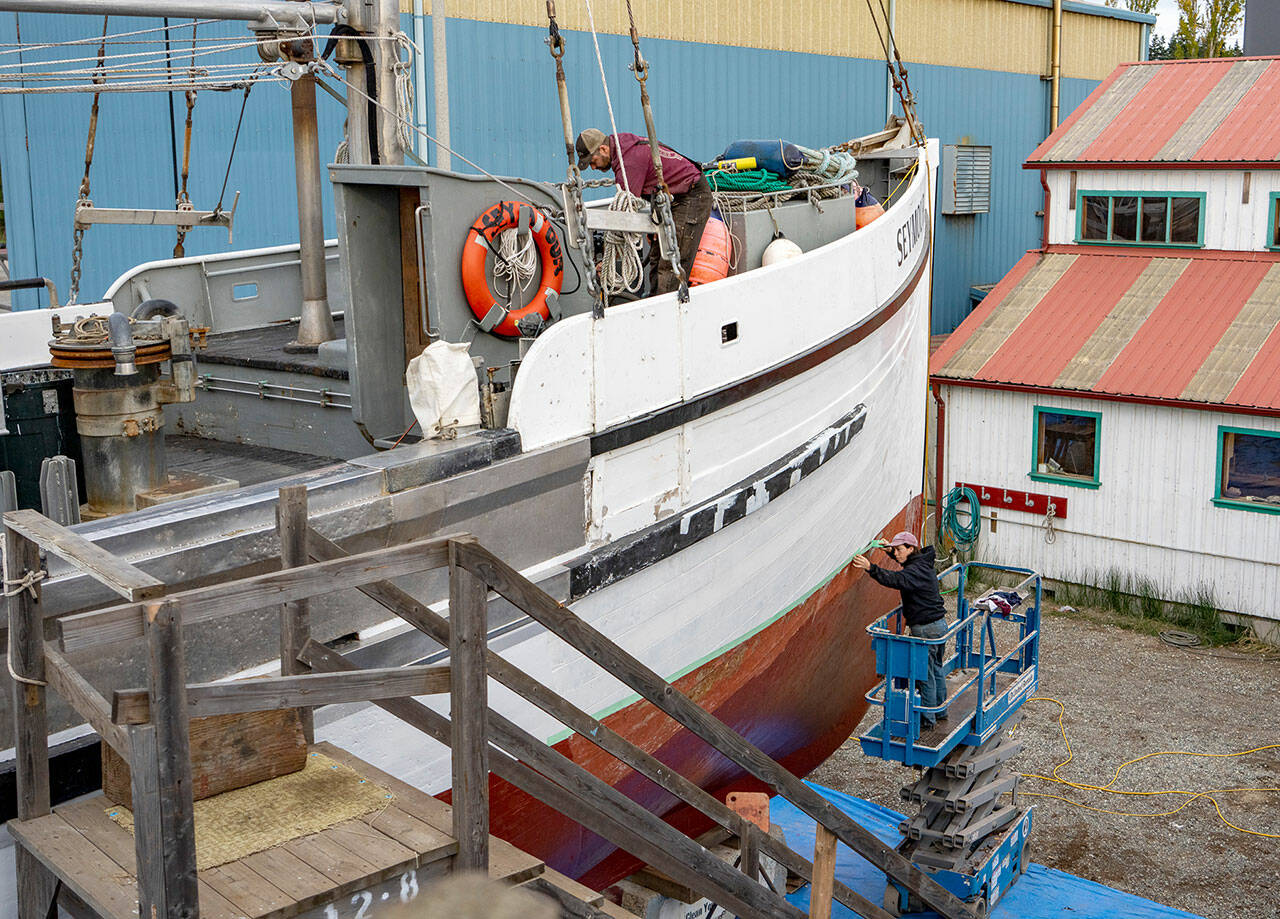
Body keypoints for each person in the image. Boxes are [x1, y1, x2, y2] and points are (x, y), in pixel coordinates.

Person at [575, 128, 712, 295]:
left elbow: (625, 217)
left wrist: (607, 261)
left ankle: (666, 313)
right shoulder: (623, 146)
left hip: (691, 198)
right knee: (656, 257)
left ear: (603, 149)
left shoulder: (629, 162)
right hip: (670, 200)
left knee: (671, 262)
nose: (593, 167)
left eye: (592, 161)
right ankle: (654, 305)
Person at [853, 531, 948, 729]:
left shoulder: (915, 571)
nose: (896, 553)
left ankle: (927, 721)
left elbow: (896, 579)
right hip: (938, 625)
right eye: (894, 550)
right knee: (936, 669)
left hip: (925, 629)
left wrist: (870, 568)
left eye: (899, 549)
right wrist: (890, 550)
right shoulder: (922, 563)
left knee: (925, 675)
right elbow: (907, 567)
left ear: (911, 548)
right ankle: (940, 711)